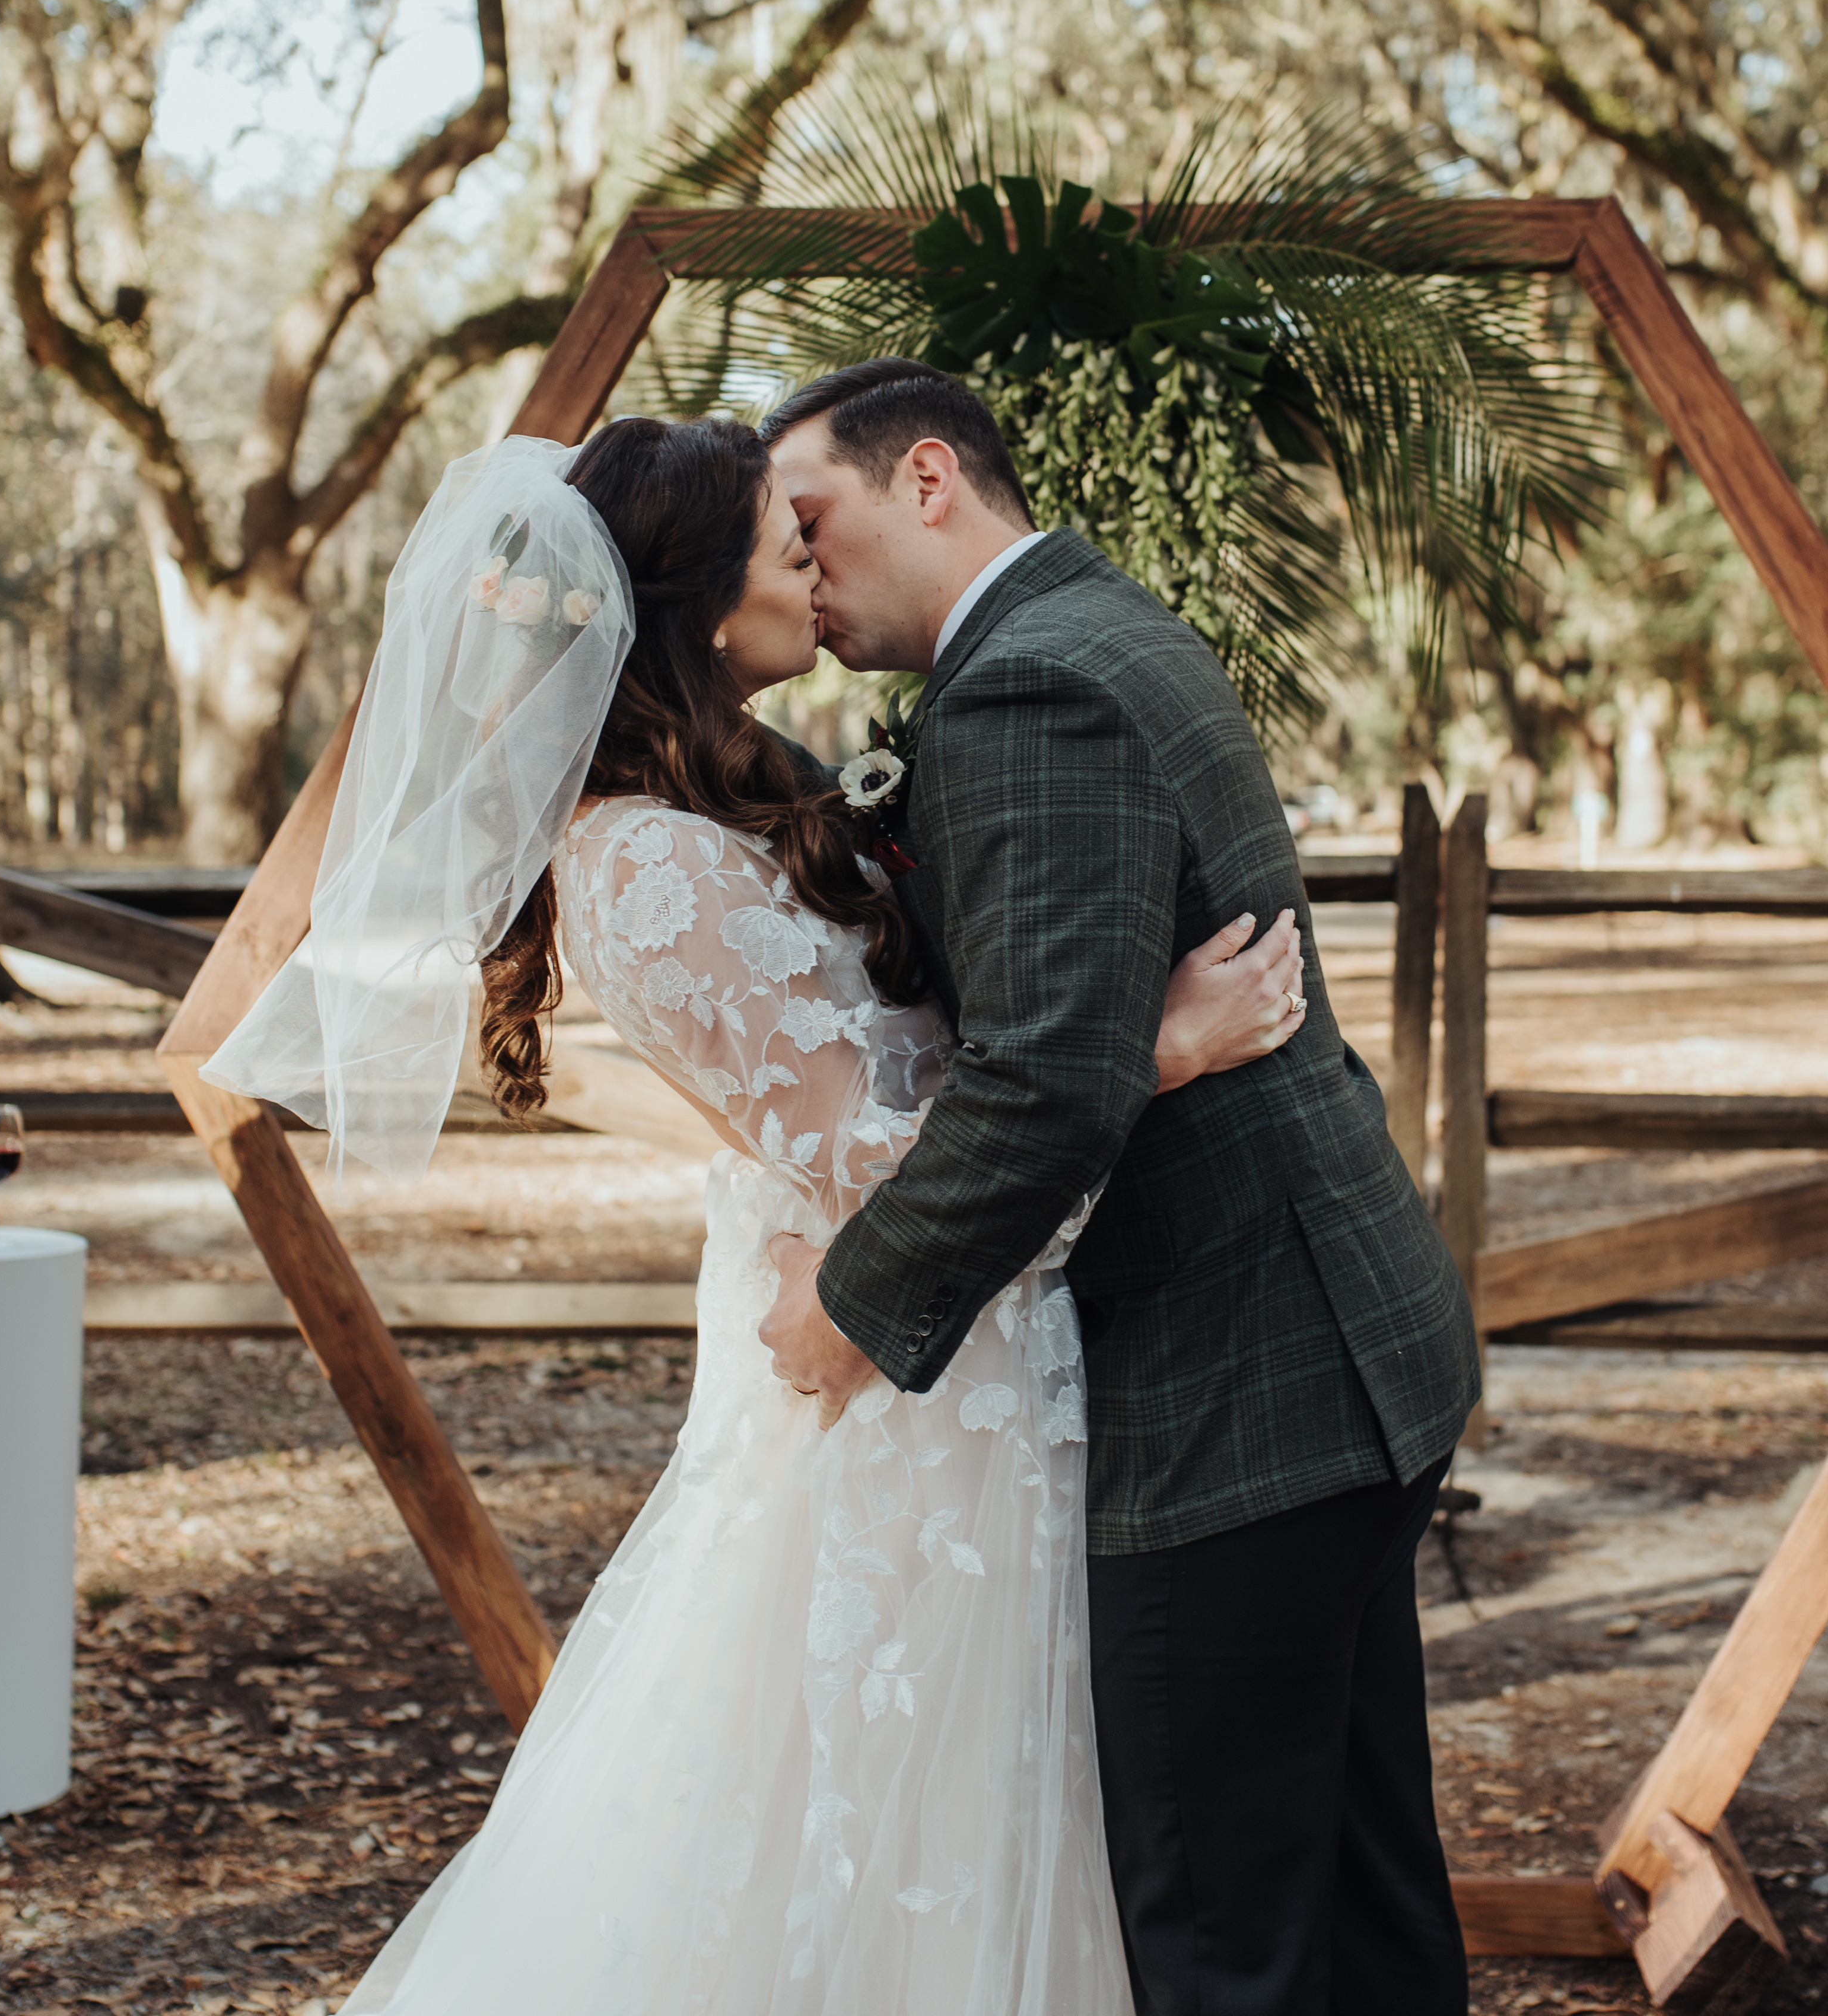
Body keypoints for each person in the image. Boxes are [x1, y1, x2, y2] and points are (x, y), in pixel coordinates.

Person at [204, 415, 1316, 2012]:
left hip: (931, 1338)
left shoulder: (746, 795)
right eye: (777, 536)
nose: (812, 550)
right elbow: (873, 1154)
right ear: (690, 600)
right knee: (873, 1830)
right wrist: (1155, 1046)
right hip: (891, 1367)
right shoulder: (643, 865)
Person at [754, 358, 1480, 2014]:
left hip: (1233, 1398)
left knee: (1222, 1943)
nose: (802, 569)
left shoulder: (1027, 691)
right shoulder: (1100, 627)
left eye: (816, 521)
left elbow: (1043, 1084)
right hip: (1343, 1357)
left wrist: (846, 1316)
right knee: (1364, 1912)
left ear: (927, 479)